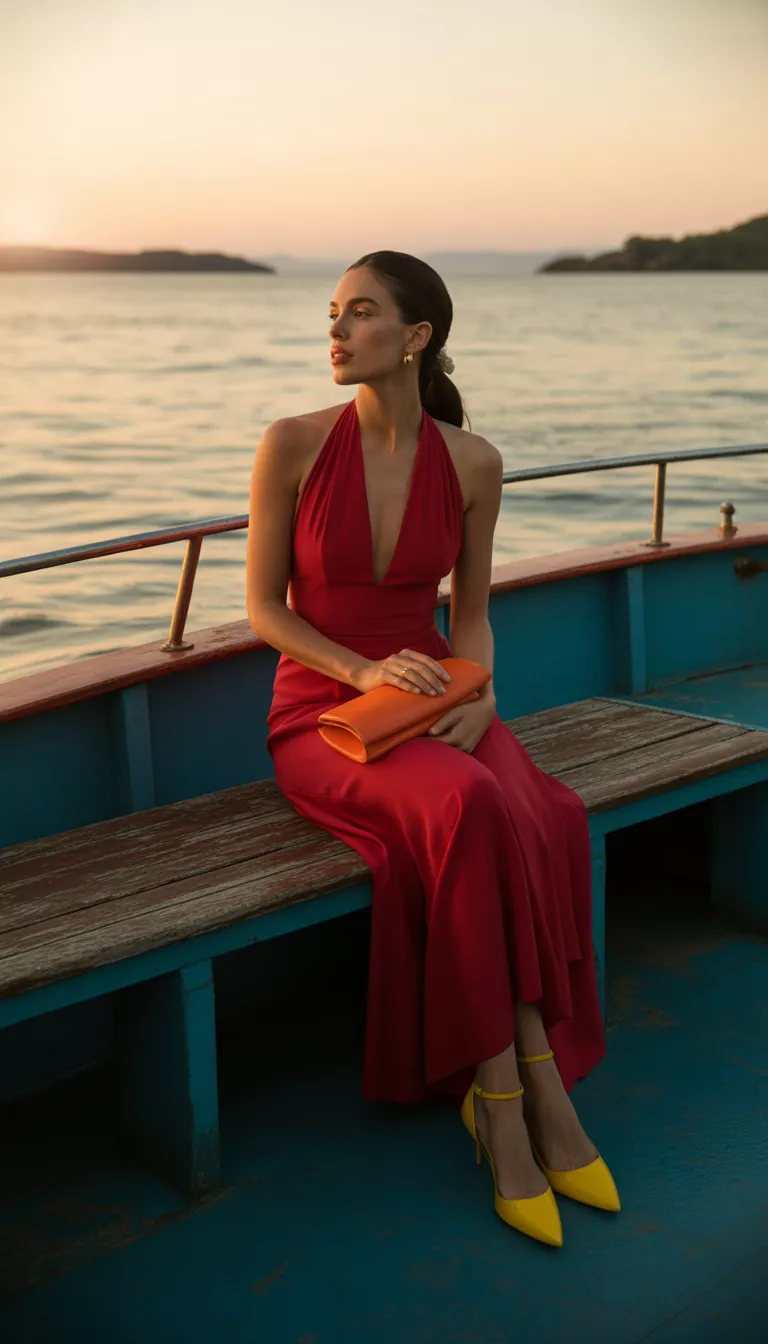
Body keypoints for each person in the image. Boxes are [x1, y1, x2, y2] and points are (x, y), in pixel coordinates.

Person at [245, 251, 619, 1247]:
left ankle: (529, 1080)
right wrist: (363, 674)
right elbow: (262, 612)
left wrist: (477, 694)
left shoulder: (474, 462)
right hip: (324, 717)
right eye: (332, 313)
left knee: (546, 809)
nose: (335, 331)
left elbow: (476, 617)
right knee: (472, 806)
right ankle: (511, 1098)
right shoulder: (289, 444)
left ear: (415, 338)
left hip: (438, 702)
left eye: (359, 314)